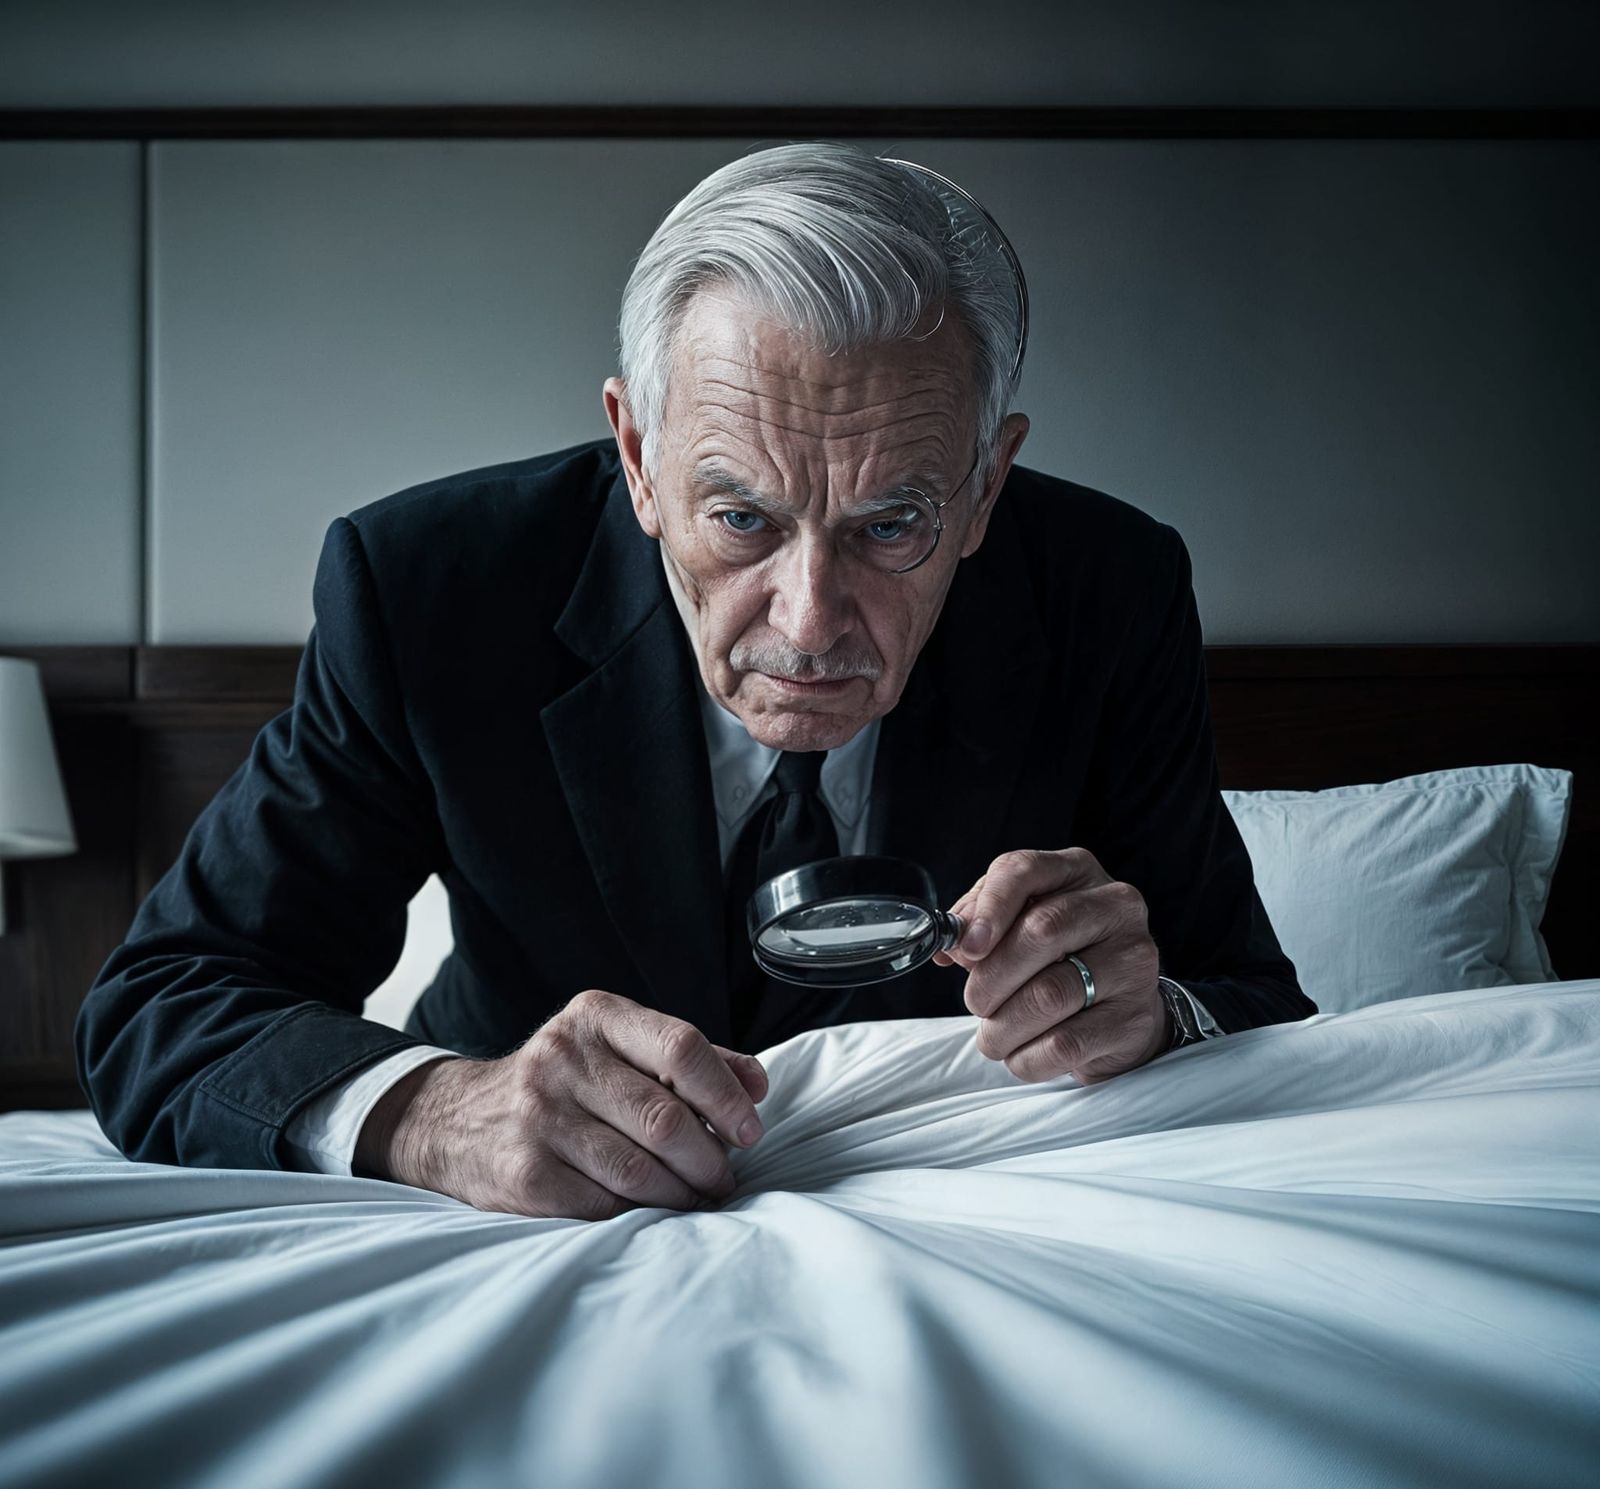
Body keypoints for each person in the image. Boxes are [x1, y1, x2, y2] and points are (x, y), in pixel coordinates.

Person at [76, 143, 1315, 1221]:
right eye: (739, 517)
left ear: (987, 487)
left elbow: (1254, 1003)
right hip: (530, 1223)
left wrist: (1156, 1017)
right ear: (638, 457)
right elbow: (160, 1006)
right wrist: (443, 1110)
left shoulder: (1107, 590)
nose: (811, 621)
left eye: (893, 526)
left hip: (967, 1208)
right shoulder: (430, 593)